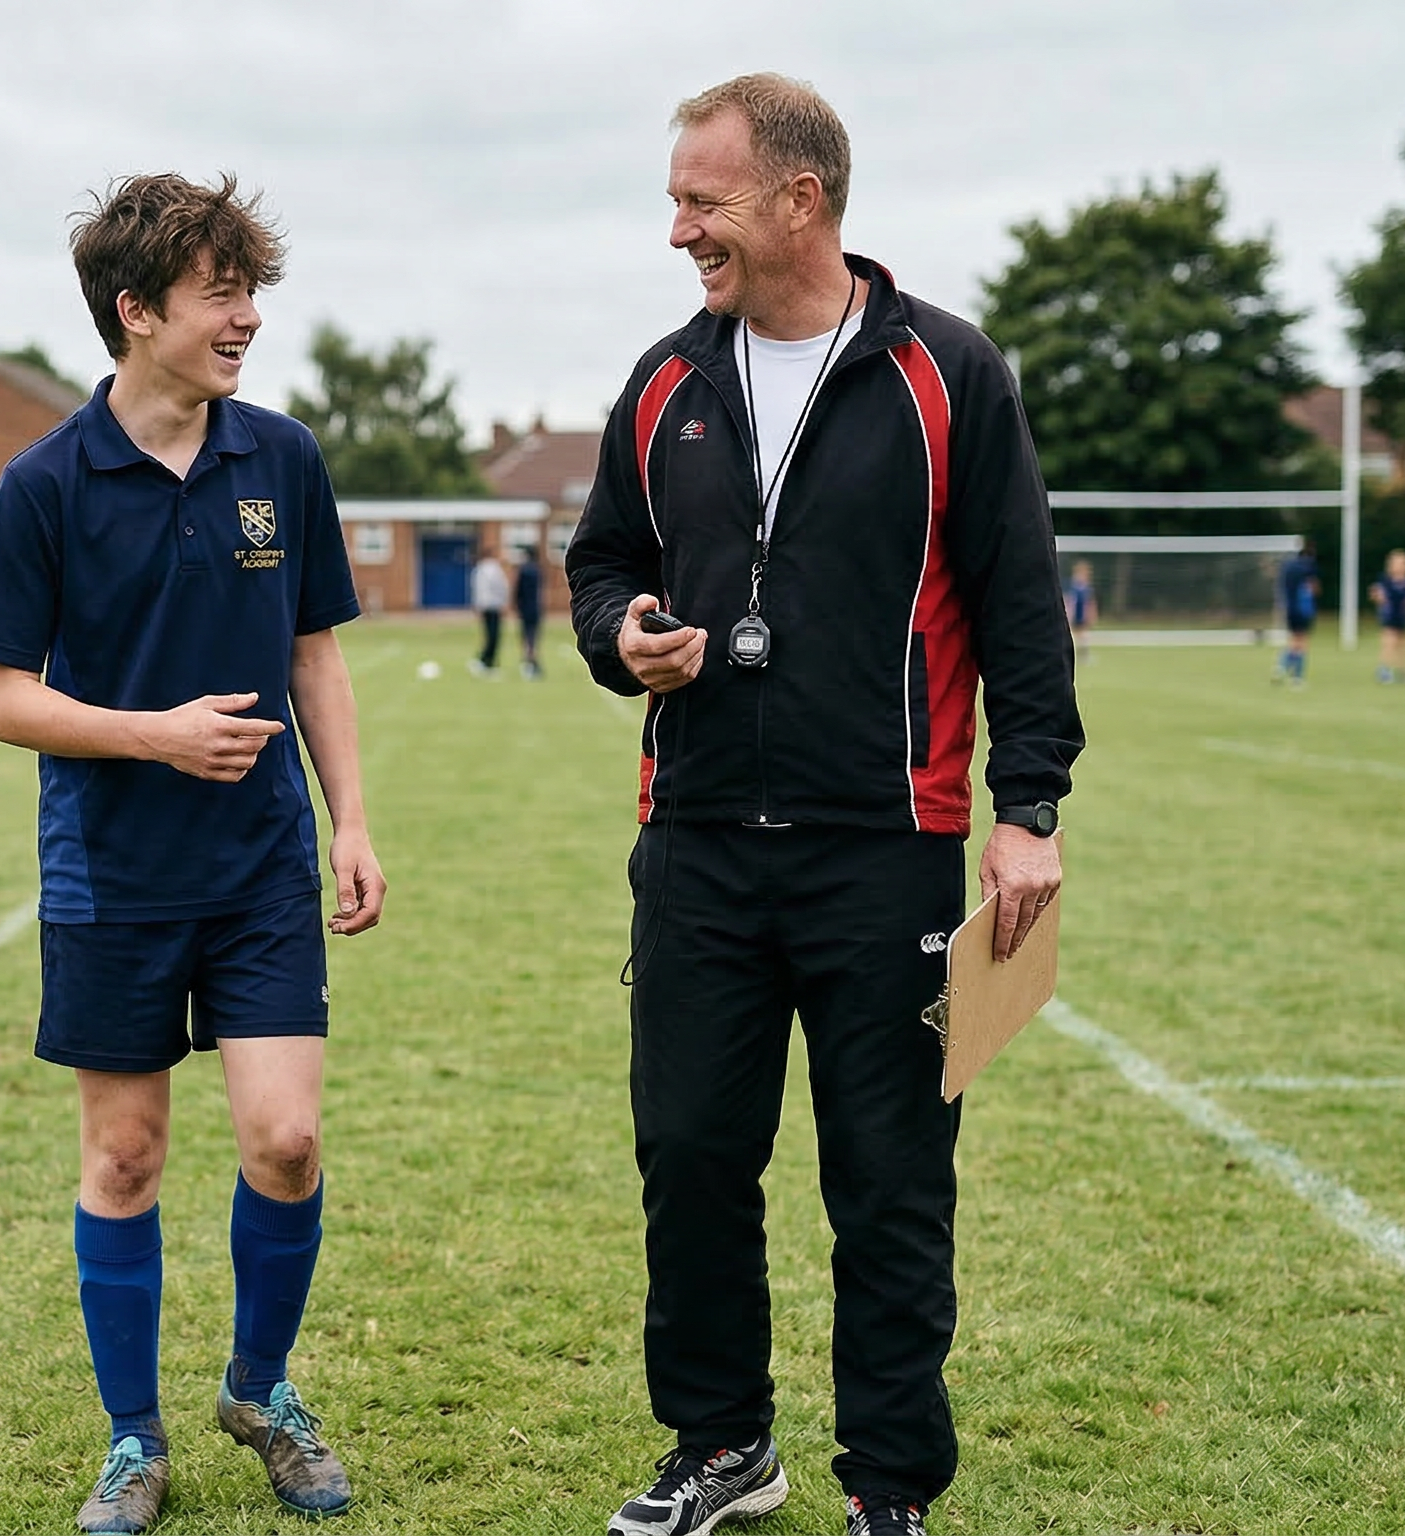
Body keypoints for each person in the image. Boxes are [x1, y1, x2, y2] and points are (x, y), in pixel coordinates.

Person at [563, 75, 1081, 1536]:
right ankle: (723, 1444)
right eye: (676, 200)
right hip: (700, 849)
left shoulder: (950, 375)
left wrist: (1025, 804)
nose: (678, 231)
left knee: (893, 1185)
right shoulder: (665, 383)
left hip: (890, 855)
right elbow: (600, 564)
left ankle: (891, 1484)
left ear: (802, 199)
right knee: (693, 1164)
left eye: (701, 200)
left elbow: (1020, 606)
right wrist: (625, 636)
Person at [0, 172, 383, 1535]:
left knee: (289, 1138)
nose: (247, 317)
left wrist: (351, 822)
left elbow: (315, 652)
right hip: (114, 877)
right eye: (219, 294)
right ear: (137, 313)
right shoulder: (44, 485)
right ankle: (134, 1442)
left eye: (250, 291)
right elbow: (0, 698)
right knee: (127, 1159)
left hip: (261, 870)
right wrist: (150, 735)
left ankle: (261, 1393)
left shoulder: (285, 458)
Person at [1274, 537, 1320, 687]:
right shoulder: (1308, 566)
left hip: (1289, 607)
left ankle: (1281, 666)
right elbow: (1313, 587)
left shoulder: (1287, 566)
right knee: (1302, 642)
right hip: (1303, 608)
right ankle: (1297, 677)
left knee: (1293, 640)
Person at [1372, 548, 1405, 685]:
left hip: (1404, 614)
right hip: (1389, 614)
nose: (1399, 566)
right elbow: (1375, 591)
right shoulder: (1385, 580)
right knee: (1389, 642)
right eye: (1396, 563)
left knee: (1403, 644)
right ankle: (1384, 669)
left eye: (1403, 563)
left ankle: (1401, 670)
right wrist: (1379, 597)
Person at [470, 547, 511, 676]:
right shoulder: (493, 569)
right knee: (493, 635)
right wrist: (504, 603)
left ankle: (486, 660)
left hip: (486, 606)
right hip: (493, 606)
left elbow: (477, 589)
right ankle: (487, 661)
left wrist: (478, 605)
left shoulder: (480, 570)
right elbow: (501, 587)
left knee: (489, 634)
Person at [514, 542, 548, 679]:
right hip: (536, 606)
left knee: (526, 635)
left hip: (526, 607)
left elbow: (519, 590)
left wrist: (516, 604)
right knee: (534, 636)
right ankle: (533, 662)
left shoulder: (524, 570)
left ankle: (529, 663)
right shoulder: (538, 570)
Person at [1063, 558, 1097, 661]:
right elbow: (1067, 599)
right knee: (1071, 635)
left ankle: (1084, 655)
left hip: (1082, 614)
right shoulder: (1072, 586)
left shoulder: (1087, 588)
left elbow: (1090, 603)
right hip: (1073, 613)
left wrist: (1092, 615)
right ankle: (1068, 655)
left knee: (1083, 634)